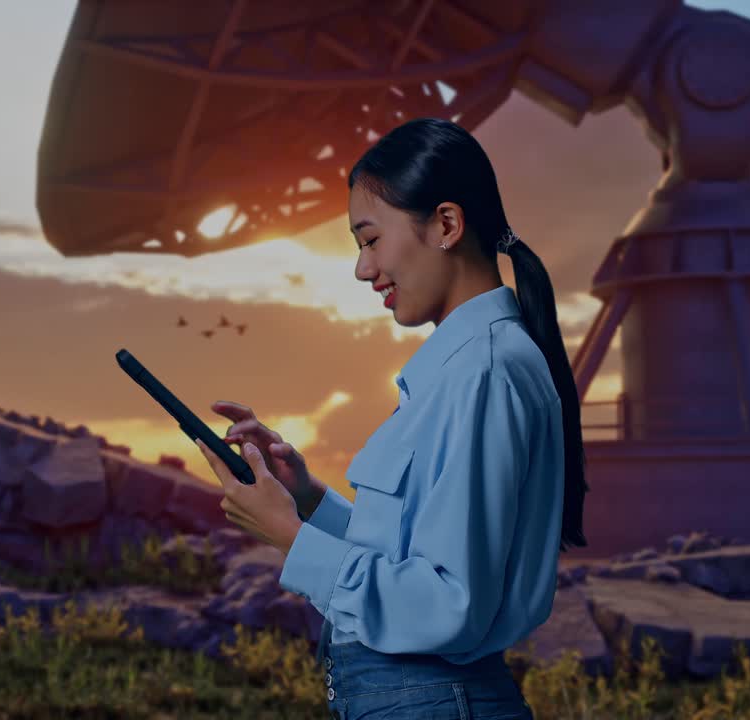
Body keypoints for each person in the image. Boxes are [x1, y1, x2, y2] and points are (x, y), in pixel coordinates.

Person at [198, 117, 589, 720]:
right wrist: (306, 499)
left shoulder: (482, 373)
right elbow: (414, 558)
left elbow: (449, 606)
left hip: (432, 700)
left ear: (447, 225)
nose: (362, 269)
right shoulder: (464, 369)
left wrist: (289, 538)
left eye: (371, 239)